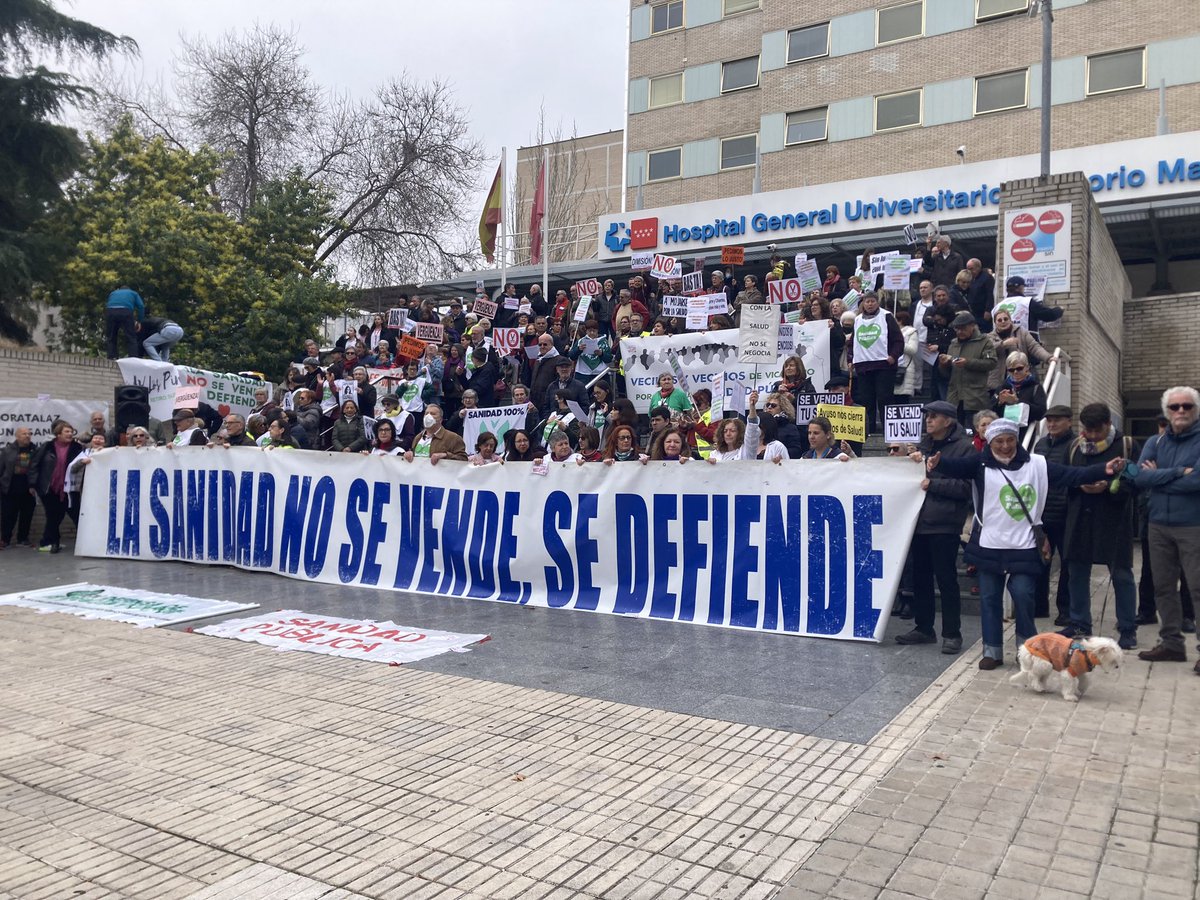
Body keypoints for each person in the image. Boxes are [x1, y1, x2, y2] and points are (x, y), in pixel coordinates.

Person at [928, 418, 1124, 670]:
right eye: (999, 441)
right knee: (989, 598)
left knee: (1023, 595)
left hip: (1024, 544)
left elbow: (1071, 475)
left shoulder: (1038, 464)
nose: (1006, 446)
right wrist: (937, 461)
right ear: (990, 442)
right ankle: (992, 651)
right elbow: (955, 466)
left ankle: (1028, 652)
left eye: (1010, 440)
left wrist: (1103, 469)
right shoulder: (980, 463)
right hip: (990, 543)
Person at [1127, 386, 1200, 667]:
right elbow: (1137, 477)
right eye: (1174, 407)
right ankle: (1171, 644)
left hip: (1193, 525)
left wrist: (1157, 475)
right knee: (1163, 587)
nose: (1180, 411)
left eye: (1186, 406)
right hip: (1158, 525)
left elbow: (1198, 482)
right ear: (1167, 412)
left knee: (1196, 587)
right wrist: (1178, 473)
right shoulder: (1156, 443)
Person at [895, 401, 974, 653]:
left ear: (948, 421)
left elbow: (965, 488)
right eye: (927, 416)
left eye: (934, 416)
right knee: (920, 579)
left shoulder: (964, 449)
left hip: (944, 524)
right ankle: (924, 627)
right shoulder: (924, 446)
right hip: (919, 523)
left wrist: (933, 484)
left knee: (947, 580)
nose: (928, 420)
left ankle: (952, 633)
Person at [1059, 403, 1139, 649]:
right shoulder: (1074, 447)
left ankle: (1127, 628)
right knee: (1077, 574)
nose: (1092, 436)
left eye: (1097, 431)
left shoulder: (1126, 446)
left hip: (1113, 520)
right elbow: (1063, 477)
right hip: (1080, 518)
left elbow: (1136, 481)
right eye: (1088, 430)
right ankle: (1080, 622)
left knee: (1122, 575)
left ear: (1108, 425)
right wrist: (1079, 485)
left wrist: (1109, 488)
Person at [1033, 405, 1076, 625]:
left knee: (1067, 565)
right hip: (1042, 512)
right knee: (1040, 561)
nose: (1052, 424)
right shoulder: (1040, 444)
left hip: (1066, 513)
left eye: (1057, 420)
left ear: (1069, 421)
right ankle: (1039, 606)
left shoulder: (1075, 445)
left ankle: (1065, 610)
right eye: (1049, 420)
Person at [847, 292, 903, 436]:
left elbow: (898, 340)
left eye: (872, 301)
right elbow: (852, 342)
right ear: (863, 304)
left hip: (883, 366)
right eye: (867, 302)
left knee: (885, 398)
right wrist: (850, 359)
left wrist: (893, 356)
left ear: (877, 302)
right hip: (863, 366)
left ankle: (888, 430)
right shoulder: (858, 319)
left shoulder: (886, 316)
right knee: (866, 400)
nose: (870, 304)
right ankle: (868, 429)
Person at [31, 420, 84, 552]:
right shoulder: (47, 447)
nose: (70, 434)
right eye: (66, 431)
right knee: (53, 517)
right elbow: (34, 465)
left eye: (71, 432)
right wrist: (33, 484)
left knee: (77, 515)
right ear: (58, 434)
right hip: (50, 489)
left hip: (70, 490)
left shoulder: (77, 448)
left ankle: (85, 542)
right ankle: (52, 542)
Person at [940, 311, 996, 428]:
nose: (960, 332)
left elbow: (991, 363)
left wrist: (967, 362)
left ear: (972, 326)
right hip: (955, 399)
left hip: (975, 397)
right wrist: (944, 365)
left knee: (975, 431)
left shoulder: (984, 342)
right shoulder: (953, 344)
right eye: (957, 329)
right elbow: (947, 374)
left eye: (963, 329)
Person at [987, 309, 1052, 393]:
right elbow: (987, 351)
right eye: (999, 320)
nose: (1003, 322)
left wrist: (1048, 357)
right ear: (995, 323)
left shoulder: (1022, 332)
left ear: (1010, 320)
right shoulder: (989, 337)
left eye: (1006, 319)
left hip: (1019, 381)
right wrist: (1003, 344)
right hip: (996, 383)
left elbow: (1034, 347)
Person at [993, 352, 1047, 439]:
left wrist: (1017, 401)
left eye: (1019, 368)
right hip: (1004, 434)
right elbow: (991, 412)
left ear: (1027, 367)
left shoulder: (1035, 387)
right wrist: (999, 402)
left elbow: (1041, 412)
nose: (1015, 372)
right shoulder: (1002, 388)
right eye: (1011, 370)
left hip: (1025, 434)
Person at [0, 427, 37, 548]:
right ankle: (5, 539)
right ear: (17, 436)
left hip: (28, 488)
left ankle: (23, 539)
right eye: (24, 434)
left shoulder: (35, 450)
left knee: (26, 515)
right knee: (8, 515)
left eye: (29, 434)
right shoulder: (7, 451)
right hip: (10, 488)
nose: (27, 436)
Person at [104, 284, 144, 359]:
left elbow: (109, 303)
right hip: (125, 311)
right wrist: (139, 321)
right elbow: (141, 306)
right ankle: (133, 357)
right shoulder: (133, 293)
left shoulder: (113, 293)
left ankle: (112, 357)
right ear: (129, 289)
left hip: (110, 311)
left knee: (111, 336)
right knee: (131, 336)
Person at [894, 310, 920, 404]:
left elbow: (913, 349)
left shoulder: (911, 332)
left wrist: (899, 343)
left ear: (900, 321)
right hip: (894, 366)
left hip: (905, 368)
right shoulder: (893, 332)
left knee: (903, 400)